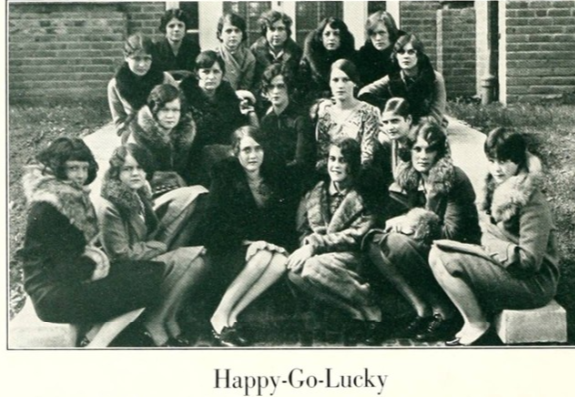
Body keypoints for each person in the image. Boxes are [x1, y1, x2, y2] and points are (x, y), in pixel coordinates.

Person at [18, 137, 165, 345]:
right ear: (58, 169)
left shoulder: (69, 197)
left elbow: (74, 255)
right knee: (145, 285)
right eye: (73, 168)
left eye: (84, 168)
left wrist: (96, 261)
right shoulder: (48, 207)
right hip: (50, 292)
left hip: (66, 280)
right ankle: (97, 345)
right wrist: (98, 264)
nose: (80, 175)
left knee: (148, 271)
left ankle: (78, 340)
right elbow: (61, 263)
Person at [428, 128, 559, 346]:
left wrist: (489, 242)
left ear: (517, 161)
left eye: (504, 161)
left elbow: (529, 261)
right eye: (492, 160)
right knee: (437, 252)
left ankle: (478, 325)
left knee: (446, 259)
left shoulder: (530, 199)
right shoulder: (492, 189)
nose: (497, 168)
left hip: (536, 284)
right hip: (509, 268)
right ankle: (471, 322)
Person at [366, 121, 481, 342]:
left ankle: (446, 312)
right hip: (428, 245)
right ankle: (421, 309)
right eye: (417, 149)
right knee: (373, 241)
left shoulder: (453, 179)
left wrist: (413, 221)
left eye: (430, 149)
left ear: (439, 152)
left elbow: (451, 234)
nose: (423, 155)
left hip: (458, 251)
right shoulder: (414, 177)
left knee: (396, 244)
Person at [99, 144, 210, 346]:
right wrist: (158, 247)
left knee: (198, 262)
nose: (136, 173)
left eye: (140, 168)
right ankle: (154, 324)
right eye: (127, 169)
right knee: (193, 261)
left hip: (140, 260)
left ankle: (167, 318)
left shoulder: (139, 193)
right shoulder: (110, 206)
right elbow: (121, 255)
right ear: (116, 173)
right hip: (123, 271)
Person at [204, 126, 298, 347]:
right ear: (236, 153)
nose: (253, 155)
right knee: (264, 255)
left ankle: (233, 315)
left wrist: (271, 244)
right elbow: (212, 226)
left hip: (259, 248)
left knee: (281, 261)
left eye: (258, 149)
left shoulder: (273, 175)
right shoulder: (224, 175)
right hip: (229, 248)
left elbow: (281, 220)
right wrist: (248, 243)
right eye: (246, 150)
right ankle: (219, 316)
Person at [287, 138, 381, 346]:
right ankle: (353, 311)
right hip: (319, 255)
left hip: (351, 255)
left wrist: (315, 245)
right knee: (294, 272)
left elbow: (356, 235)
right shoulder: (316, 191)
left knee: (310, 267)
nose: (335, 165)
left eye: (343, 160)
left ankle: (371, 308)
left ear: (352, 165)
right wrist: (306, 245)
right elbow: (302, 228)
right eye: (332, 159)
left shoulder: (363, 194)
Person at [179, 50, 258, 186]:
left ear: (222, 74)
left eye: (216, 72)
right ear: (197, 73)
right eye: (206, 71)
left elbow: (238, 128)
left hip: (225, 155)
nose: (211, 77)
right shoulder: (185, 96)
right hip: (193, 158)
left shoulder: (228, 96)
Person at [358, 33, 447, 126]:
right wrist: (386, 106)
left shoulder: (434, 78)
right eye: (401, 52)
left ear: (419, 55)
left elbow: (436, 117)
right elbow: (363, 93)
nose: (406, 56)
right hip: (400, 125)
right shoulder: (393, 77)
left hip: (426, 125)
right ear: (396, 56)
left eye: (411, 52)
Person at [125, 84, 195, 195]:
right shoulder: (139, 137)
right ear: (154, 111)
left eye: (175, 110)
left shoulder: (184, 134)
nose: (170, 115)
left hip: (180, 189)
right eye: (164, 110)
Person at [314, 59, 380, 173]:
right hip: (332, 172)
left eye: (345, 80)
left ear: (354, 82)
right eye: (335, 80)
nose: (340, 85)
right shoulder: (325, 114)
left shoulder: (369, 112)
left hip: (359, 172)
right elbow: (323, 153)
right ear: (329, 83)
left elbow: (367, 155)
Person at [107, 34, 177, 137]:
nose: (142, 64)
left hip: (167, 131)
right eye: (136, 59)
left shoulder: (165, 79)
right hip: (135, 134)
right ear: (126, 57)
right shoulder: (116, 85)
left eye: (147, 59)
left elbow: (181, 110)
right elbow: (119, 121)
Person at [259, 63, 315, 175]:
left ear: (288, 88)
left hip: (297, 178)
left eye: (280, 86)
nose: (275, 91)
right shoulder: (266, 121)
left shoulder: (301, 119)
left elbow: (301, 162)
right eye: (271, 86)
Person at [297, 17, 357, 103]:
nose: (331, 38)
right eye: (327, 34)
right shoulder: (308, 60)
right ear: (321, 37)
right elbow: (303, 89)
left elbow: (355, 85)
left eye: (336, 34)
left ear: (342, 37)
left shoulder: (351, 57)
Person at [250, 10, 303, 91]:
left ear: (287, 32)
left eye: (280, 29)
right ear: (265, 32)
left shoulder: (297, 53)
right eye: (272, 29)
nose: (276, 34)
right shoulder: (254, 52)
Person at [356, 11, 404, 86]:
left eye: (382, 33)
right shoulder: (363, 57)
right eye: (373, 34)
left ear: (391, 33)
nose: (378, 38)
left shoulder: (407, 51)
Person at [153, 9, 201, 80]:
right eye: (171, 26)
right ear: (164, 28)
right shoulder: (156, 48)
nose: (176, 29)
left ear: (185, 28)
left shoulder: (193, 48)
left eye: (180, 25)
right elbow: (156, 74)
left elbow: (195, 74)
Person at [216, 12, 256, 91]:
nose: (233, 35)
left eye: (237, 31)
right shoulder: (215, 55)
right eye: (228, 31)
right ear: (220, 34)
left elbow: (246, 85)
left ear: (242, 35)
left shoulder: (248, 57)